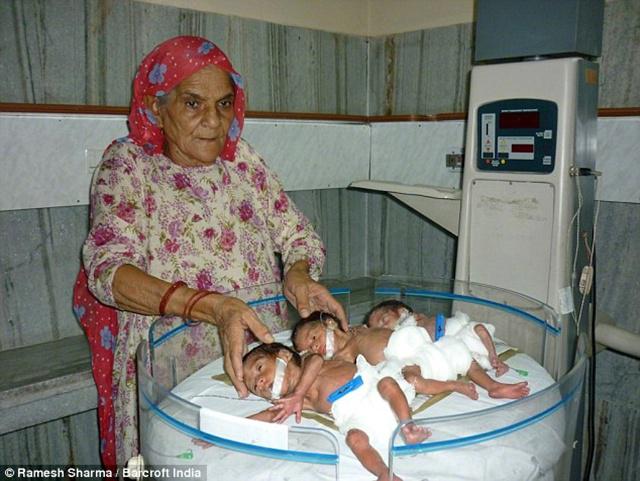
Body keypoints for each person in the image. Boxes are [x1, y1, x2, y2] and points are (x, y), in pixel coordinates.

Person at [73, 35, 346, 468]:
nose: (214, 122)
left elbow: (299, 236)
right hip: (169, 371)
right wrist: (214, 307)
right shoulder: (129, 166)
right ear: (155, 106)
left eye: (223, 104)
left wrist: (297, 275)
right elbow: (108, 272)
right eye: (193, 103)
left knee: (273, 467)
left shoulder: (242, 163)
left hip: (261, 362)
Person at [242, 342, 429, 481]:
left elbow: (316, 360)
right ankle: (385, 473)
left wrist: (298, 394)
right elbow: (268, 415)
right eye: (254, 386)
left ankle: (408, 427)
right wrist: (221, 431)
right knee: (354, 439)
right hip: (354, 415)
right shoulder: (297, 402)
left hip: (372, 388)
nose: (259, 381)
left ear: (284, 355)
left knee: (387, 384)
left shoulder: (309, 362)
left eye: (259, 368)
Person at [292, 311, 529, 400]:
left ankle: (494, 385)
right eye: (308, 348)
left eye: (314, 337)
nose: (315, 347)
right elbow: (323, 369)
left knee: (462, 355)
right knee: (414, 381)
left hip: (418, 342)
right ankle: (451, 386)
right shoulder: (343, 355)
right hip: (404, 361)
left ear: (329, 323)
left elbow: (396, 321)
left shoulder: (362, 328)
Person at [364, 299, 509, 376]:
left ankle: (493, 355)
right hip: (453, 348)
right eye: (379, 329)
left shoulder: (416, 320)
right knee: (469, 360)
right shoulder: (403, 340)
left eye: (384, 320)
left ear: (402, 311)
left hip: (459, 331)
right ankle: (493, 362)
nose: (384, 328)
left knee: (478, 329)